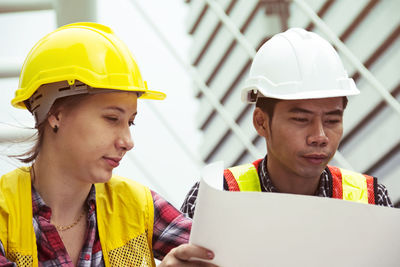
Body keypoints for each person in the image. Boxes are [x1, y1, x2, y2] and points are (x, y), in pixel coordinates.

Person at [0, 22, 217, 267]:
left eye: (130, 123)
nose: (127, 142)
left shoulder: (139, 206)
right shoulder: (3, 213)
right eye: (112, 119)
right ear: (55, 113)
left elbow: (228, 256)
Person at [181, 28, 393, 219]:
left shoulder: (372, 200)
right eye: (301, 119)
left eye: (332, 120)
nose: (320, 136)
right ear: (261, 122)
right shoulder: (214, 197)